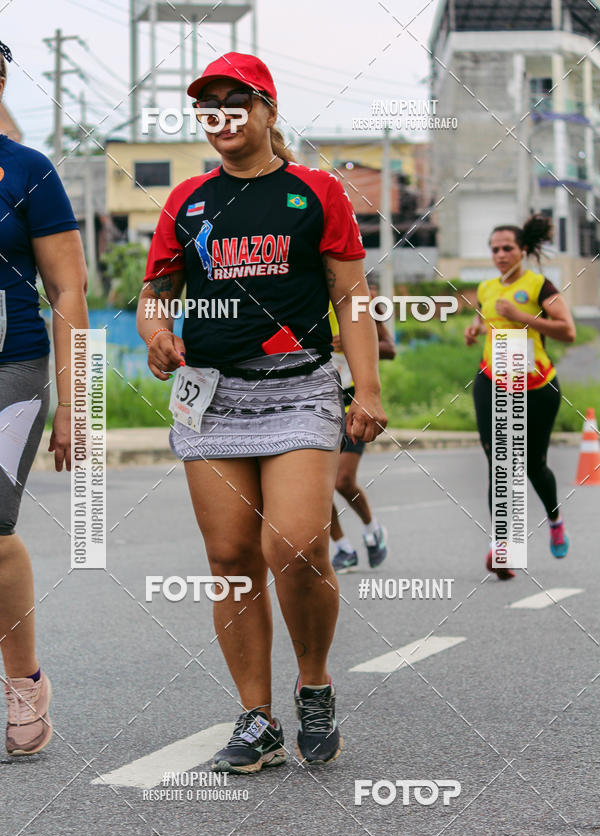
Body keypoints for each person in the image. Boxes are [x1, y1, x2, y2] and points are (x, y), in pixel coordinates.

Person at [137, 52, 387, 773]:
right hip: (211, 396)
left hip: (300, 384)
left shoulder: (315, 192)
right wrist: (157, 333)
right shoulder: (186, 201)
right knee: (230, 558)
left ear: (269, 111)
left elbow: (351, 296)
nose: (221, 114)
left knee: (299, 543)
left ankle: (314, 685)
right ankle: (258, 719)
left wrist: (365, 389)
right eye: (208, 103)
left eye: (235, 100)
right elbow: (157, 292)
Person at [0, 40, 89, 754]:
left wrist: (75, 406)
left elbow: (68, 290)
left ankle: (24, 681)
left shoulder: (28, 171)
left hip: (13, 369)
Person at [465, 214, 575, 579]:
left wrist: (522, 317)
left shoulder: (540, 285)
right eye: (494, 249)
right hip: (493, 379)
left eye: (507, 248)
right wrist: (475, 329)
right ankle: (503, 548)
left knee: (532, 465)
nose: (500, 254)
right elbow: (486, 319)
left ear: (522, 250)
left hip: (537, 386)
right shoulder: (486, 288)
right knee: (499, 463)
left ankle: (555, 519)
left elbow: (567, 331)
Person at [329, 278, 395, 572]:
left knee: (342, 480)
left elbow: (390, 348)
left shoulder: (366, 302)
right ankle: (342, 547)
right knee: (312, 488)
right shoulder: (305, 298)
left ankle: (372, 529)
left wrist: (351, 343)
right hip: (315, 401)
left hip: (353, 402)